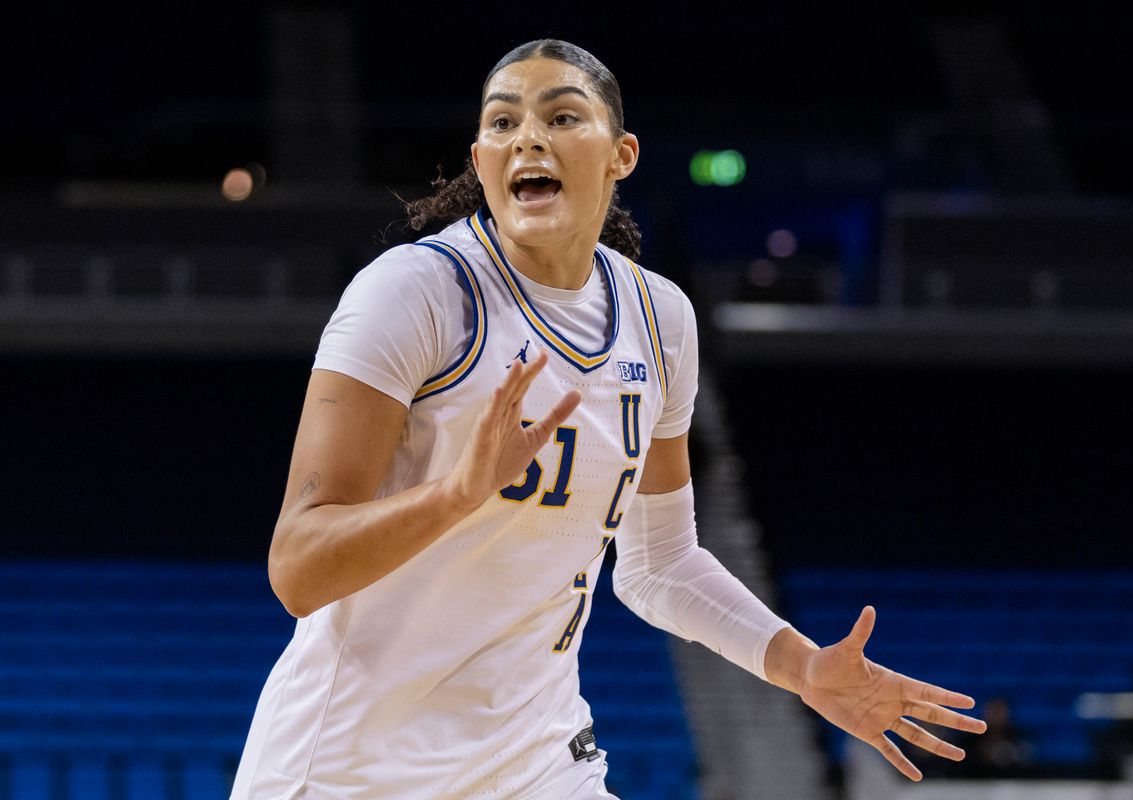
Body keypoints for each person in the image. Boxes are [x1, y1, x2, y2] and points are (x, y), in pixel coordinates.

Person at [231, 38, 986, 800]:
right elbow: (298, 569)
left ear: (621, 155)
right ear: (481, 159)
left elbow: (660, 562)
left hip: (536, 763)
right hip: (350, 770)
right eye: (502, 123)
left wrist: (803, 667)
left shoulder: (660, 321)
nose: (527, 136)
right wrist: (455, 494)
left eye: (561, 116)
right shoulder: (416, 292)